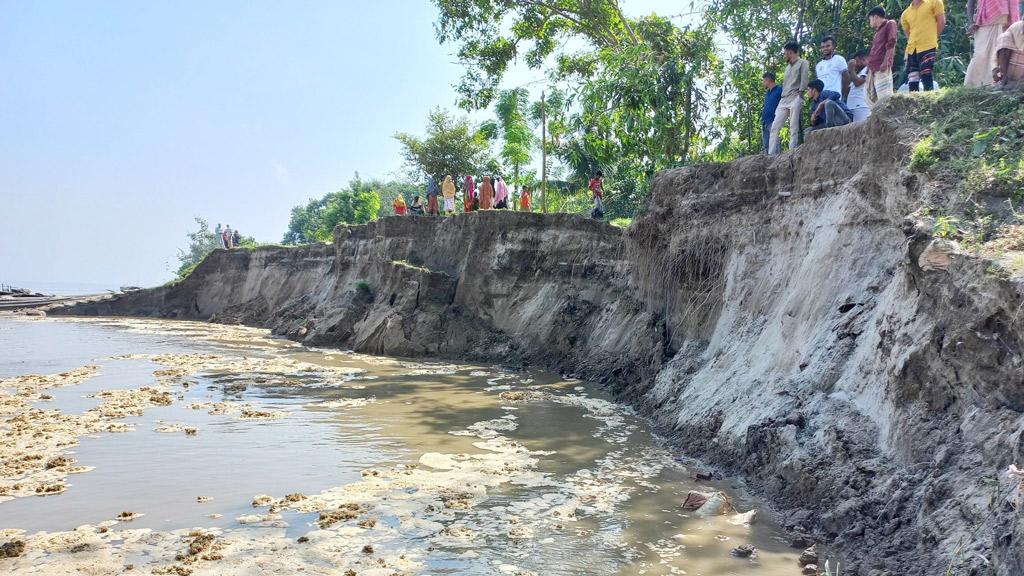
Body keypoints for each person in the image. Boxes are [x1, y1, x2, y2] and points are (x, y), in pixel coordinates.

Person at [966, 0, 1020, 86]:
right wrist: (970, 23)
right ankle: (972, 85)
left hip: (1006, 23)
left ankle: (996, 84)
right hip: (984, 23)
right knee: (980, 55)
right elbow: (971, 2)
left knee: (1001, 56)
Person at [768, 42, 810, 154]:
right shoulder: (787, 68)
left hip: (796, 96)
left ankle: (791, 152)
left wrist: (800, 95)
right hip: (784, 99)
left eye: (785, 53)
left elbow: (804, 79)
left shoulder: (803, 63)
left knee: (793, 126)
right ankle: (770, 154)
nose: (784, 55)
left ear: (790, 52)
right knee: (775, 126)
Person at [901, 0, 946, 91]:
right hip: (912, 48)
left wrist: (932, 37)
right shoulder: (905, 14)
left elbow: (941, 22)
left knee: (926, 73)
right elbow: (907, 33)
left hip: (928, 45)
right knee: (912, 76)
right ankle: (913, 102)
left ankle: (929, 101)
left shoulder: (935, 2)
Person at [867, 7, 899, 106]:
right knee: (868, 96)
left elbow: (892, 42)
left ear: (875, 17)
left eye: (870, 19)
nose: (870, 22)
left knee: (884, 96)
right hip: (873, 69)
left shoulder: (890, 24)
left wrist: (886, 62)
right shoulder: (877, 32)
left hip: (881, 67)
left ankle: (888, 117)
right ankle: (876, 118)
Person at [994, 20, 1024, 84]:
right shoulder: (1015, 28)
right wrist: (995, 68)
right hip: (1009, 67)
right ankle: (1004, 79)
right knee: (1004, 38)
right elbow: (1001, 50)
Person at [846, 50, 872, 122]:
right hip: (853, 106)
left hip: (861, 106)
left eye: (856, 61)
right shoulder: (859, 73)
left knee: (861, 131)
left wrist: (851, 69)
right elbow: (847, 90)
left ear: (863, 59)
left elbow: (858, 82)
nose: (856, 65)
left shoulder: (868, 68)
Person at [761, 72, 783, 154]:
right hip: (764, 121)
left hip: (774, 120)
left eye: (764, 81)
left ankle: (777, 163)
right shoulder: (767, 93)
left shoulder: (780, 89)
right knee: (766, 146)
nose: (763, 83)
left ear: (768, 80)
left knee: (775, 143)